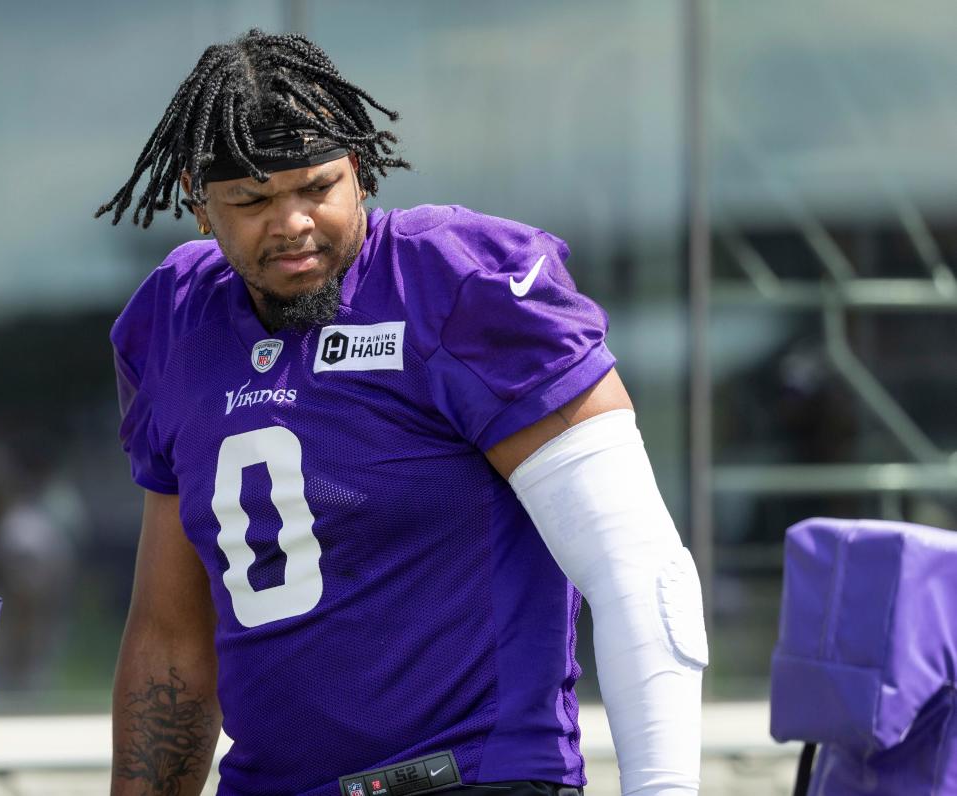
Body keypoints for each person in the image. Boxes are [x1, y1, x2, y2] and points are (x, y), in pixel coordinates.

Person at [96, 29, 707, 796]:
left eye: (316, 187)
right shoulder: (176, 319)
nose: (290, 223)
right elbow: (171, 640)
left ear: (361, 168)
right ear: (196, 201)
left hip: (467, 779)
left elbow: (638, 570)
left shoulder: (453, 282)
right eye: (251, 200)